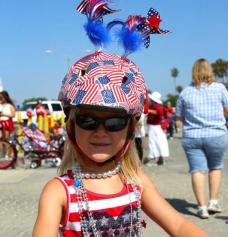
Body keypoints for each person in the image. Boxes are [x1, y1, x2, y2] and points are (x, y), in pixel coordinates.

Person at [33, 2, 210, 236]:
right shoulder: (58, 192)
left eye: (114, 123)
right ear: (71, 124)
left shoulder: (135, 181)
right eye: (87, 120)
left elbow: (178, 224)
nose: (100, 131)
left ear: (130, 128)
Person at [176, 58, 228, 219]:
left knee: (197, 170)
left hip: (192, 136)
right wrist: (218, 116)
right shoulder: (220, 88)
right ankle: (213, 202)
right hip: (216, 134)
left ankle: (201, 207)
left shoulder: (185, 92)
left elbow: (179, 117)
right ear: (210, 71)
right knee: (215, 167)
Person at [146, 91, 169, 165]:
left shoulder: (157, 106)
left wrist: (149, 111)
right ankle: (155, 157)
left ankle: (156, 157)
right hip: (153, 126)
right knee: (155, 142)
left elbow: (159, 113)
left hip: (155, 126)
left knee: (156, 142)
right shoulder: (153, 106)